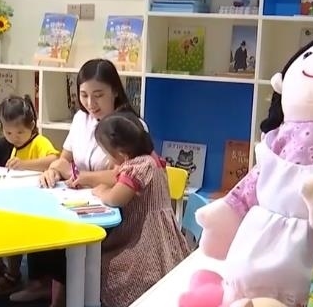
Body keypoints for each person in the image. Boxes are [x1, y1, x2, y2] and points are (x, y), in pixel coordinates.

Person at [25, 112, 190, 306]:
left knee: (103, 266)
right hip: (160, 233)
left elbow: (116, 198)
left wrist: (100, 191)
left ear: (121, 154)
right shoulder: (151, 159)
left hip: (145, 239)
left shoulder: (137, 167)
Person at [0, 95, 61, 297]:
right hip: (12, 201)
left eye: (20, 132)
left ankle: (13, 273)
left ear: (32, 126)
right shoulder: (7, 143)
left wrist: (25, 164)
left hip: (36, 205)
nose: (14, 137)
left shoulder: (39, 142)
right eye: (8, 132)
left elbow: (54, 159)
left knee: (15, 233)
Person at [41, 58, 147, 190]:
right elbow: (64, 160)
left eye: (98, 95)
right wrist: (53, 172)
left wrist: (76, 175)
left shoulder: (132, 126)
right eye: (84, 95)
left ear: (115, 91)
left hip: (114, 199)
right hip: (80, 196)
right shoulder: (80, 118)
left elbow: (127, 176)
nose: (90, 104)